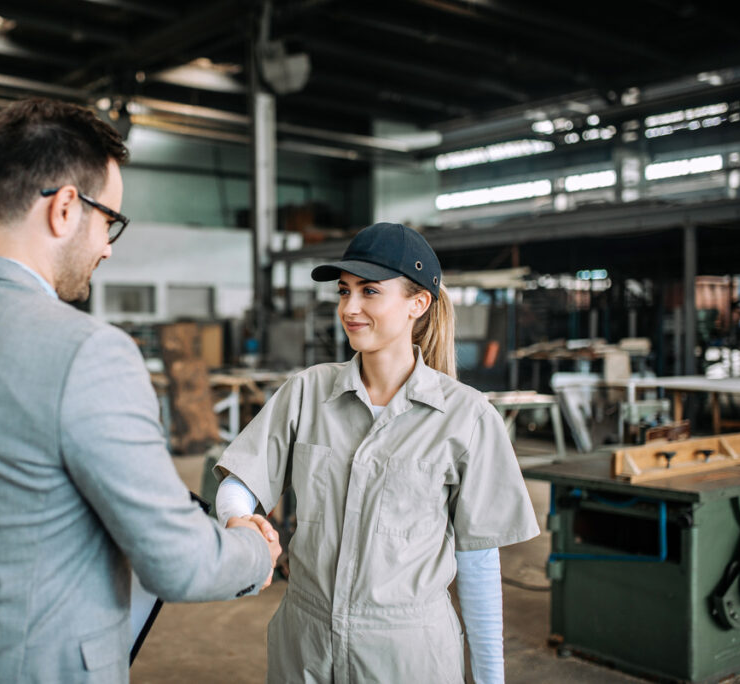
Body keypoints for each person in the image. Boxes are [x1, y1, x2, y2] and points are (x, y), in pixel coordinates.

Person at [0, 98, 280, 683]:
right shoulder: (89, 353)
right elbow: (179, 564)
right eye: (109, 224)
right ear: (66, 208)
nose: (105, 247)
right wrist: (255, 550)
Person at [214, 222, 540, 683]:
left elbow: (479, 562)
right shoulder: (307, 392)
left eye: (369, 292)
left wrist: (491, 679)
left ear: (417, 303)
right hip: (305, 644)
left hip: (408, 657)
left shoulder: (468, 417)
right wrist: (236, 516)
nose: (350, 308)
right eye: (344, 292)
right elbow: (241, 481)